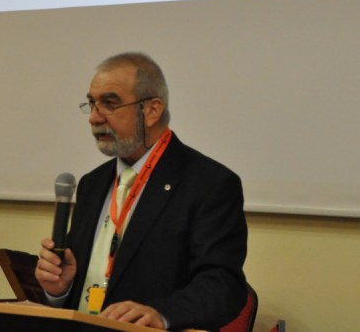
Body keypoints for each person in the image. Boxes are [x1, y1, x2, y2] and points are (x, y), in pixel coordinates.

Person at [35, 52, 247, 331]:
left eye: (109, 103)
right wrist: (60, 289)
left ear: (152, 110)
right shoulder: (92, 184)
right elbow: (85, 286)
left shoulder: (209, 184)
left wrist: (162, 314)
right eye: (92, 104)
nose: (94, 117)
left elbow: (223, 287)